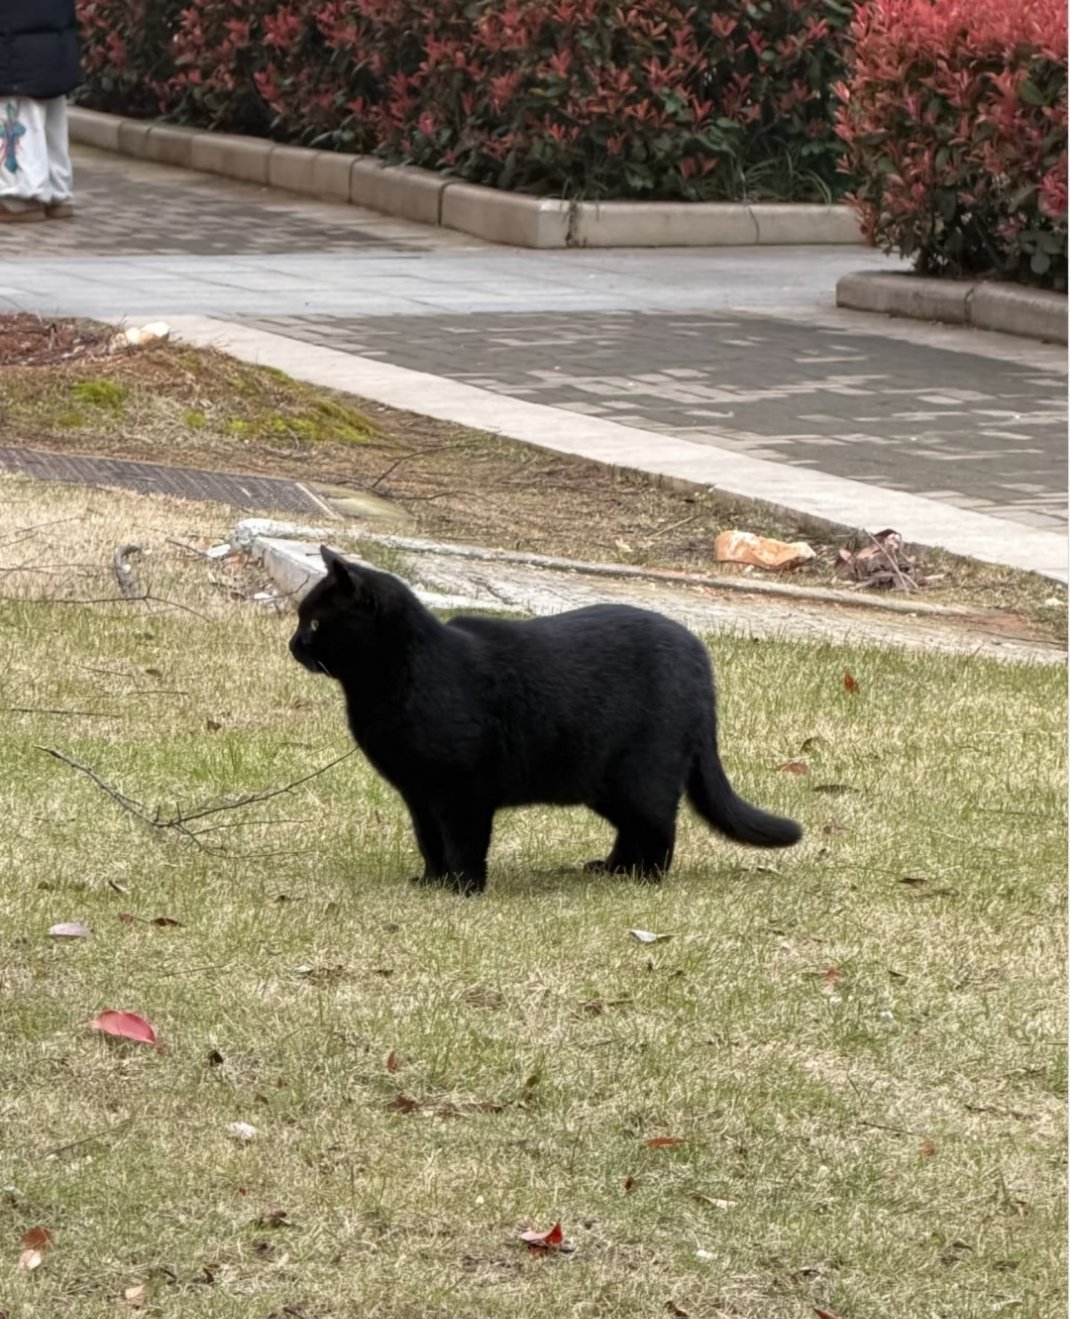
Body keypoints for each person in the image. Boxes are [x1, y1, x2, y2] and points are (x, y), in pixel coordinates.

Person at [0, 0, 82, 223]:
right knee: (50, 117)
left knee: (16, 116)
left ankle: (19, 196)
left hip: (13, 42)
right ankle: (57, 193)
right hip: (53, 38)